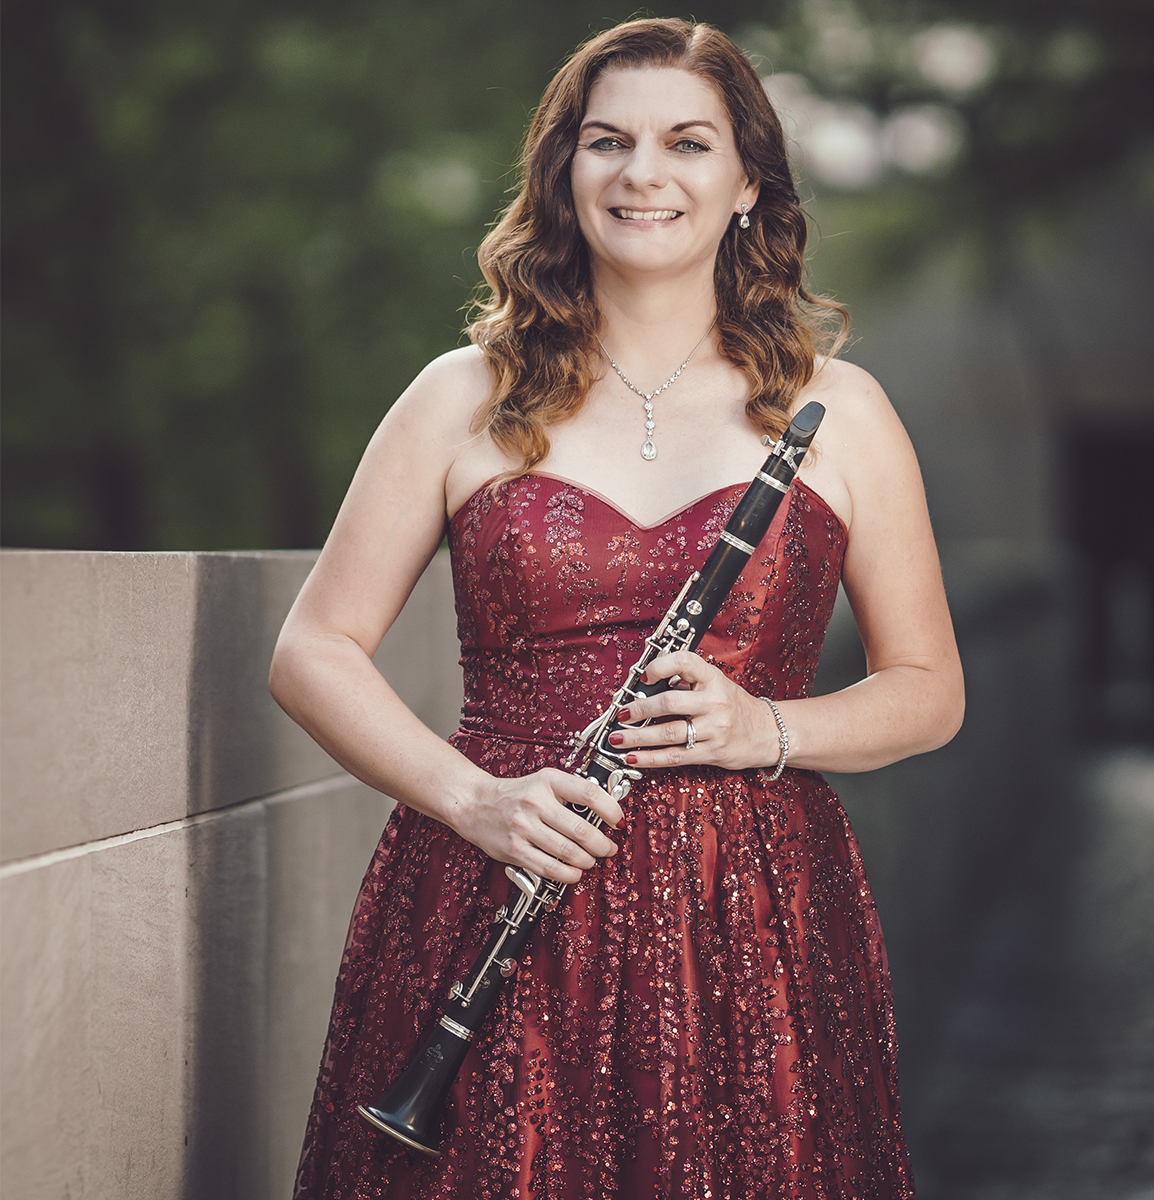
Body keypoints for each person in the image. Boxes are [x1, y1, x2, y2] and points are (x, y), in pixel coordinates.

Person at [271, 16, 963, 1199]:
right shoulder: (460, 395)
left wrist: (765, 727)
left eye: (687, 143)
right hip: (497, 872)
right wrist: (475, 800)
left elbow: (928, 690)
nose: (644, 173)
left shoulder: (838, 411)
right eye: (608, 142)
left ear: (746, 184)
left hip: (749, 908)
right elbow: (311, 648)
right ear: (564, 171)